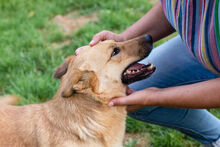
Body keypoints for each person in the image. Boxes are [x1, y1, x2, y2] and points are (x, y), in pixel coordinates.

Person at [75, 1, 220, 146]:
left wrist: (155, 96)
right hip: (206, 49)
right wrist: (124, 39)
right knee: (135, 88)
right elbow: (177, 6)